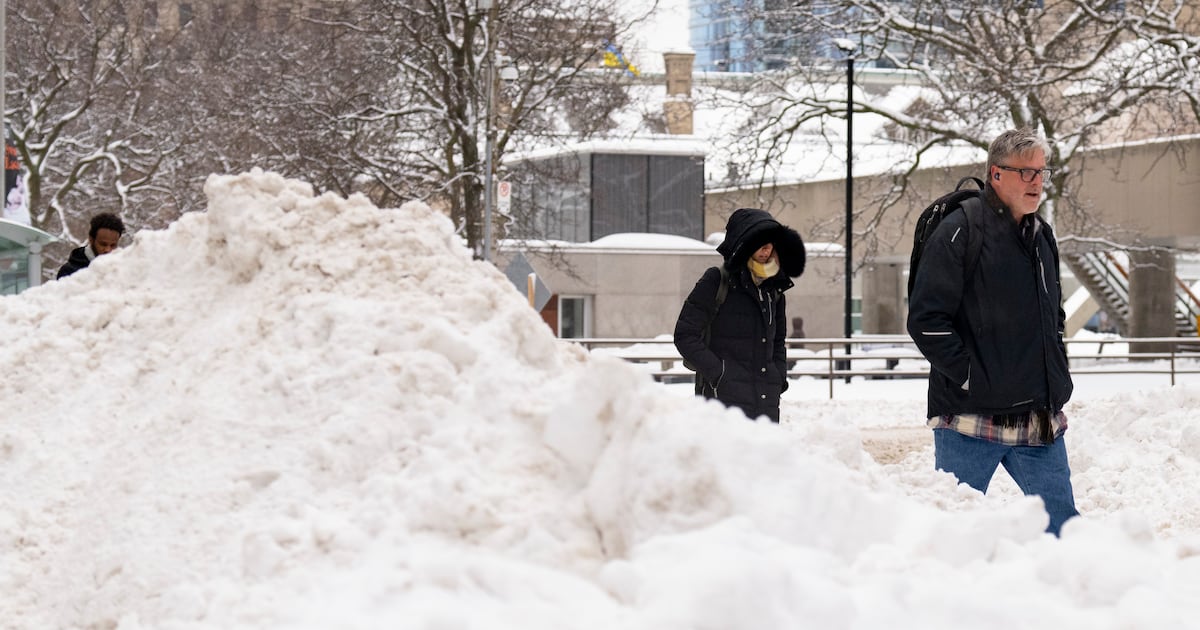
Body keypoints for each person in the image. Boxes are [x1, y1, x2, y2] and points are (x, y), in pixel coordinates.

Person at [907, 128, 1077, 536]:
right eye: (1026, 172)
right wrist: (971, 376)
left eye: (1041, 172)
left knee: (1067, 533)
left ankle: (1068, 600)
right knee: (953, 535)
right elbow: (926, 320)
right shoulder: (960, 230)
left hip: (1038, 418)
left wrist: (1054, 367)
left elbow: (1053, 315)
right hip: (971, 420)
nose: (1037, 182)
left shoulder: (1042, 236)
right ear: (996, 174)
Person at [675, 208, 805, 422]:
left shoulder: (774, 289)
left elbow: (778, 341)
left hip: (766, 405)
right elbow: (685, 335)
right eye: (760, 243)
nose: (767, 249)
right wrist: (720, 375)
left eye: (770, 243)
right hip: (723, 407)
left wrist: (777, 378)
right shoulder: (717, 280)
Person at [57, 213, 126, 279]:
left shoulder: (120, 270)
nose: (107, 249)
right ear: (91, 240)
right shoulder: (69, 272)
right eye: (103, 244)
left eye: (113, 245)